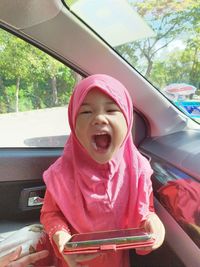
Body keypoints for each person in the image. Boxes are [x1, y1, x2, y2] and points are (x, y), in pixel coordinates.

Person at [40, 74, 165, 267]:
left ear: (128, 119)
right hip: (75, 261)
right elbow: (50, 213)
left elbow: (145, 209)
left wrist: (153, 223)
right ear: (73, 123)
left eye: (111, 110)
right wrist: (61, 237)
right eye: (86, 112)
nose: (99, 118)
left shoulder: (138, 169)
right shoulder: (61, 173)